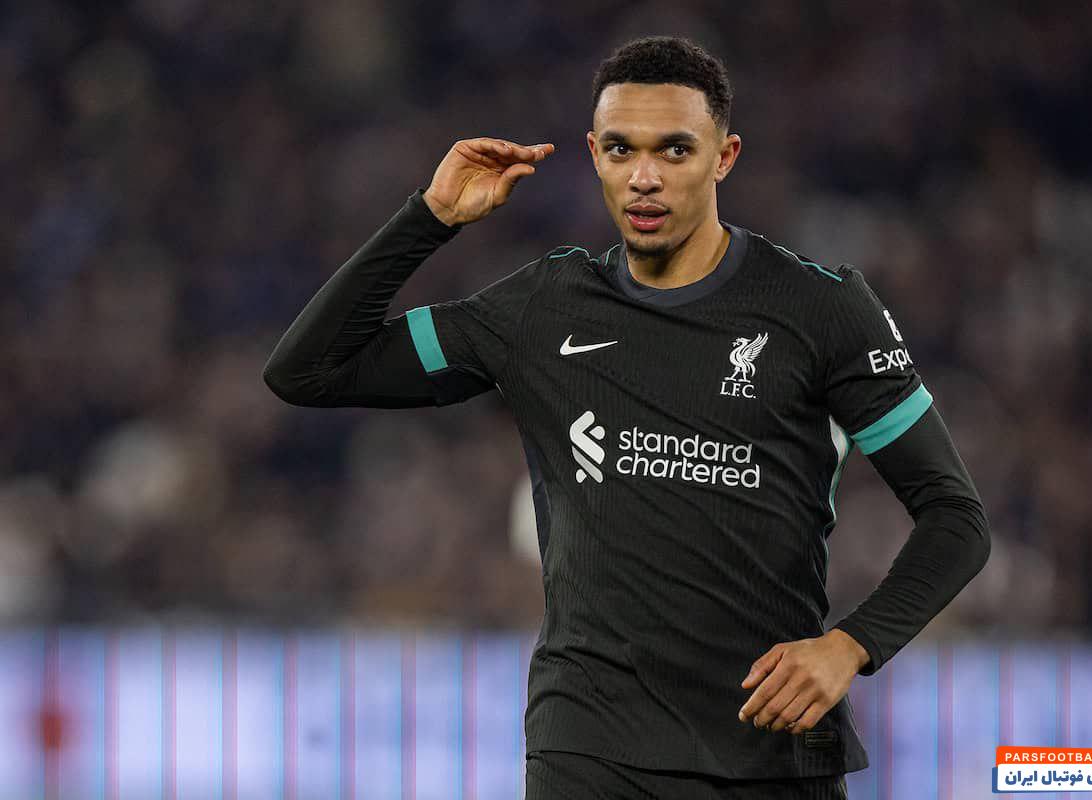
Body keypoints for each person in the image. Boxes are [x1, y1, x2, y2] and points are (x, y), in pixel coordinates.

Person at [263, 35, 989, 800]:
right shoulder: (544, 307)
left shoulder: (821, 310)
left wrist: (851, 645)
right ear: (594, 155)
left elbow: (956, 517)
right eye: (621, 149)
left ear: (725, 157)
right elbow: (307, 370)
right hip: (587, 754)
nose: (645, 177)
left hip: (768, 753)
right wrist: (430, 216)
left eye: (675, 150)